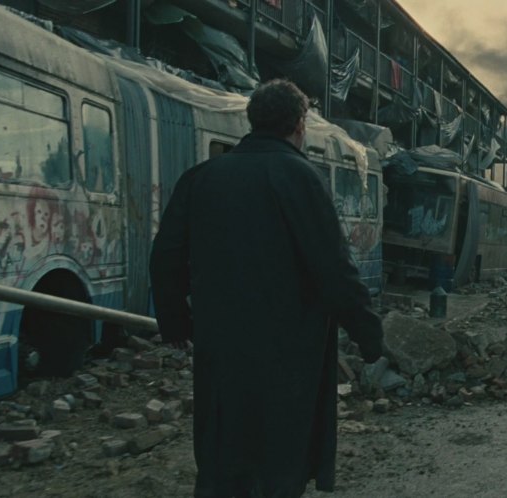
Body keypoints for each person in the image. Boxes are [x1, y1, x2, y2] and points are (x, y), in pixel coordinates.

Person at [149, 79, 382, 498]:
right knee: (279, 457)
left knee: (223, 452)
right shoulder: (302, 178)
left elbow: (166, 254)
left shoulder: (202, 177)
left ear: (252, 121)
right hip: (289, 352)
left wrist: (176, 322)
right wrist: (369, 335)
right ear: (299, 124)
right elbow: (334, 269)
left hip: (220, 346)